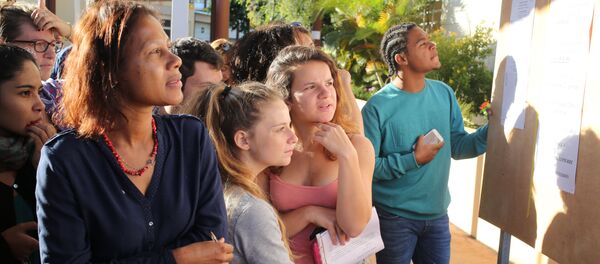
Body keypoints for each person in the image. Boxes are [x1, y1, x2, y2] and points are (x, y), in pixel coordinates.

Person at [35, 1, 232, 262]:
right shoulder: (65, 160)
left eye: (169, 49)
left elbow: (214, 245)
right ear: (111, 71)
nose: (175, 61)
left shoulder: (190, 138)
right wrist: (178, 258)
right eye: (155, 52)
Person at [361, 23, 488, 264]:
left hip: (438, 216)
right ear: (401, 58)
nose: (432, 45)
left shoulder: (444, 93)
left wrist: (492, 132)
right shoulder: (377, 108)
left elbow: (458, 146)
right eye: (422, 43)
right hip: (393, 219)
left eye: (430, 40)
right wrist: (414, 159)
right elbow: (369, 169)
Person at [265, 46, 375, 264]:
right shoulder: (271, 147)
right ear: (286, 100)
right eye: (311, 87)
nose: (326, 93)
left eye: (329, 83)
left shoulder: (357, 146)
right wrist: (309, 213)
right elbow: (260, 228)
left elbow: (353, 226)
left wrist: (347, 156)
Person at [183, 82, 297, 263]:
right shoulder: (250, 210)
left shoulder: (213, 189)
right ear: (243, 140)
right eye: (280, 129)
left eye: (290, 125)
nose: (293, 138)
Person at [0, 44, 56, 264]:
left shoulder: (41, 150)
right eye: (25, 93)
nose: (39, 105)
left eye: (38, 92)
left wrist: (50, 170)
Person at [0, 2, 71, 119]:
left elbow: (108, 60)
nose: (51, 55)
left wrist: (68, 30)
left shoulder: (53, 93)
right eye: (39, 44)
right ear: (4, 45)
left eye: (53, 45)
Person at [164, 37, 224, 114]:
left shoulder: (220, 122)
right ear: (176, 84)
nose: (219, 95)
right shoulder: (148, 123)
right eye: (207, 88)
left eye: (220, 84)